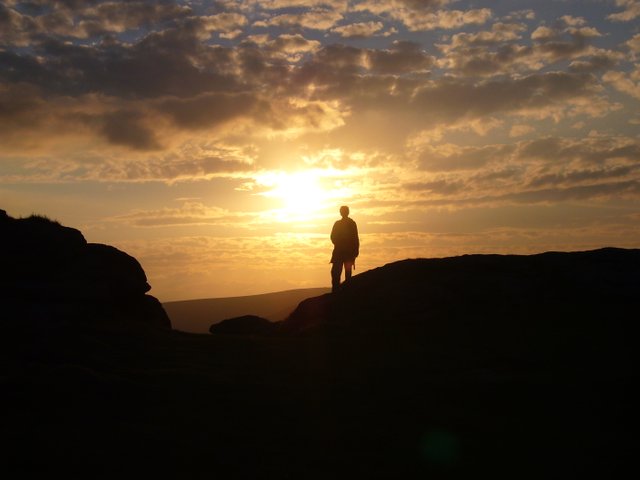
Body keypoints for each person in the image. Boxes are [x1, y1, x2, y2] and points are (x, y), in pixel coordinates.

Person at [330, 205, 359, 293]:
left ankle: (344, 291)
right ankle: (338, 291)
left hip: (347, 252)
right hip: (342, 252)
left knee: (345, 272)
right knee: (337, 272)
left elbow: (355, 238)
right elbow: (333, 237)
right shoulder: (341, 223)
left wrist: (355, 251)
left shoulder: (350, 223)